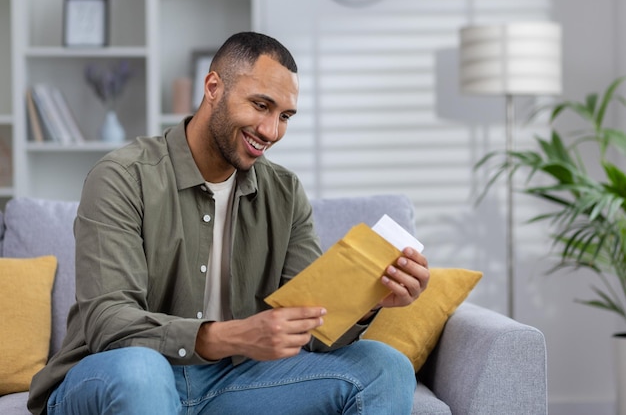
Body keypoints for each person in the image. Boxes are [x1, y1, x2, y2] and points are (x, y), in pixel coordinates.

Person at [28, 31, 430, 415]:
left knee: (385, 366)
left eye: (285, 115)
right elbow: (109, 322)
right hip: (117, 378)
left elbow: (311, 326)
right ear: (213, 87)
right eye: (260, 105)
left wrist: (363, 303)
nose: (271, 131)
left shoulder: (285, 193)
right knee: (142, 372)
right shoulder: (123, 176)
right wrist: (233, 336)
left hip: (229, 385)